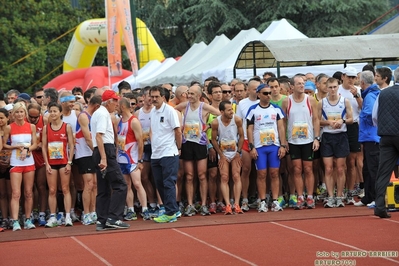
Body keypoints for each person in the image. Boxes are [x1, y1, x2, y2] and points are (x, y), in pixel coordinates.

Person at [175, 84, 220, 216]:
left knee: (201, 175)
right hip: (187, 143)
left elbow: (219, 114)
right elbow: (172, 111)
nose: (189, 96)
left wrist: (209, 125)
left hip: (200, 143)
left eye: (192, 94)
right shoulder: (184, 106)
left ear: (199, 96)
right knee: (189, 176)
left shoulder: (204, 107)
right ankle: (190, 204)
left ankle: (204, 204)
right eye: (188, 93)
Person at [91, 90, 129, 230]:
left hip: (99, 150)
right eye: (115, 100)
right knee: (120, 184)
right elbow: (99, 136)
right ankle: (113, 217)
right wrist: (104, 157)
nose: (117, 103)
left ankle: (102, 220)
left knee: (104, 188)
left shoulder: (98, 113)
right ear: (108, 102)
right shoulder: (103, 114)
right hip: (104, 150)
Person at [282, 74, 320, 210]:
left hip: (308, 139)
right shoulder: (287, 101)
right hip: (293, 141)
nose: (302, 85)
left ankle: (310, 197)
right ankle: (300, 197)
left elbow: (316, 119)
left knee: (308, 169)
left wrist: (316, 138)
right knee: (296, 169)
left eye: (303, 83)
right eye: (298, 83)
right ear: (292, 87)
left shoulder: (310, 100)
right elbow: (283, 122)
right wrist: (284, 140)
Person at [247, 84, 287, 212]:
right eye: (265, 93)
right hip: (260, 147)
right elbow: (250, 128)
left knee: (274, 173)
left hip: (274, 146)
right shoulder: (253, 110)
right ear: (258, 94)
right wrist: (251, 146)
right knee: (261, 174)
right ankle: (262, 200)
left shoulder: (276, 109)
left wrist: (283, 145)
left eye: (269, 93)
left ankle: (275, 201)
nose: (268, 95)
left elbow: (281, 128)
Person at [318, 78, 353, 208]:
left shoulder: (345, 101)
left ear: (338, 87)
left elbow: (351, 119)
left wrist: (342, 121)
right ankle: (330, 196)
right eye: (330, 87)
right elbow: (317, 120)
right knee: (328, 168)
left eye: (334, 87)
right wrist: (328, 122)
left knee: (340, 168)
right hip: (327, 136)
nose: (332, 90)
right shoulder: (322, 103)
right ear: (326, 88)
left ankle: (339, 196)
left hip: (341, 136)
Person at [3, 102, 37, 231]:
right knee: (16, 193)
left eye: (22, 112)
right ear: (13, 114)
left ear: (25, 113)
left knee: (28, 192)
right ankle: (15, 220)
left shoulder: (31, 127)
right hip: (15, 163)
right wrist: (15, 147)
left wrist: (27, 149)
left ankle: (28, 219)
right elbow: (4, 144)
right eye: (17, 112)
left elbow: (35, 144)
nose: (19, 114)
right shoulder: (9, 128)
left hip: (29, 162)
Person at [149, 86, 182, 223]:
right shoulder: (152, 111)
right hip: (156, 153)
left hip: (169, 152)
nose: (154, 99)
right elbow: (153, 130)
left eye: (157, 96)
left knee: (168, 182)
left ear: (163, 97)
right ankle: (173, 209)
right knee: (159, 183)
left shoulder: (170, 111)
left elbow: (178, 131)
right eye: (152, 96)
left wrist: (179, 148)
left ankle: (170, 212)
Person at [117, 98, 151, 221]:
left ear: (122, 107)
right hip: (122, 158)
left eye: (117, 106)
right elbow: (118, 141)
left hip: (133, 159)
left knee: (137, 184)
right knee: (126, 185)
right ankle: (130, 210)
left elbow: (140, 141)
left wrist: (140, 159)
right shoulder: (119, 121)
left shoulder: (134, 121)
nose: (115, 107)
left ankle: (145, 209)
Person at [41, 102, 75, 227]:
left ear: (60, 112)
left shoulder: (67, 127)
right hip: (51, 163)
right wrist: (47, 163)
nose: (53, 113)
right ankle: (52, 217)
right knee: (52, 190)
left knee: (65, 189)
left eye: (55, 111)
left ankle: (67, 216)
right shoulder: (46, 128)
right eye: (51, 111)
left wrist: (69, 162)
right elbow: (44, 147)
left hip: (64, 162)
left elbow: (71, 145)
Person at [372, 67, 399, 218]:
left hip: (386, 135)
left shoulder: (383, 93)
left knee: (383, 171)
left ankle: (380, 206)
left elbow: (374, 116)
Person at [211, 101, 244, 214]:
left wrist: (238, 152)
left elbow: (241, 136)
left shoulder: (237, 120)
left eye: (232, 109)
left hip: (235, 151)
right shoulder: (216, 122)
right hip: (223, 152)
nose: (232, 112)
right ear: (221, 112)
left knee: (236, 176)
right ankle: (228, 205)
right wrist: (220, 154)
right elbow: (214, 139)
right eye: (229, 110)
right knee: (224, 177)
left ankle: (237, 204)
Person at [355, 71, 380, 208]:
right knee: (367, 168)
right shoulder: (372, 94)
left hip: (371, 137)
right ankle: (369, 197)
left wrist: (362, 117)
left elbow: (371, 115)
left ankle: (376, 197)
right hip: (369, 136)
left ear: (362, 83)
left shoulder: (370, 96)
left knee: (372, 168)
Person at [75, 96, 101, 225]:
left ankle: (93, 211)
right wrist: (98, 152)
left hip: (92, 152)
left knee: (95, 184)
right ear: (96, 106)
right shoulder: (83, 116)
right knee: (89, 184)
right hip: (84, 153)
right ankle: (86, 213)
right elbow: (87, 137)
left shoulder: (92, 116)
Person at [27, 103, 48, 226]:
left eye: (36, 117)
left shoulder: (44, 121)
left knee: (41, 186)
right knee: (30, 188)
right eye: (31, 117)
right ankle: (32, 212)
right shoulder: (23, 121)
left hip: (41, 157)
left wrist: (42, 145)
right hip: (28, 157)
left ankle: (42, 213)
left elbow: (50, 136)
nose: (33, 120)